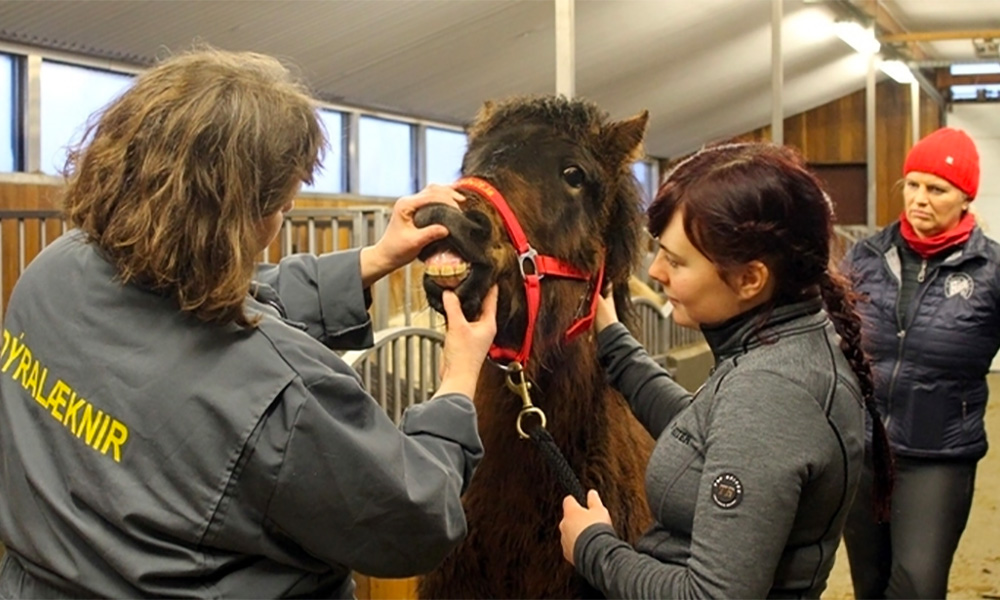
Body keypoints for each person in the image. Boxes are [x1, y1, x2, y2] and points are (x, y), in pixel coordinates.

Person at [0, 48, 498, 598]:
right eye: (282, 205)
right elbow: (416, 518)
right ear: (237, 221)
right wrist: (456, 382)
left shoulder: (52, 271)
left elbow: (212, 297)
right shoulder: (281, 396)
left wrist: (374, 259)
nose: (282, 216)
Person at [558, 142, 894, 598]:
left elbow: (712, 596)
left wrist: (594, 547)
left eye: (676, 261)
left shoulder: (772, 394)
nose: (655, 271)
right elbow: (701, 434)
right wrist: (615, 342)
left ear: (750, 279)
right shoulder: (788, 343)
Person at [841, 127, 994, 599]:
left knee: (917, 586)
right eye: (912, 184)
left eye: (937, 189)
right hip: (866, 449)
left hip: (938, 455)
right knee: (870, 583)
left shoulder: (990, 272)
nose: (920, 199)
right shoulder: (865, 258)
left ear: (965, 197)